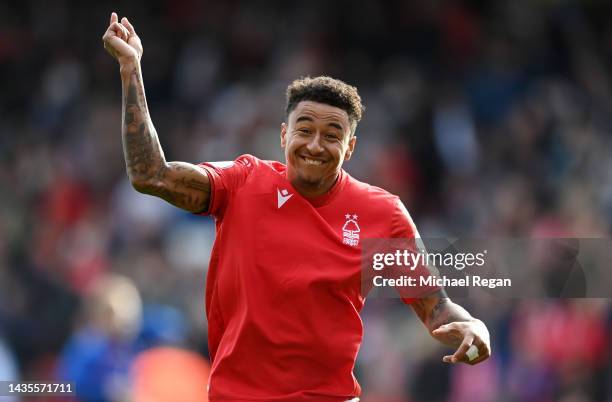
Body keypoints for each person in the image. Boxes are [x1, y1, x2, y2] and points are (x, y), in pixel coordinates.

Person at [102, 12, 491, 401]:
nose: (316, 145)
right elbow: (150, 175)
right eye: (305, 130)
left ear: (350, 147)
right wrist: (130, 69)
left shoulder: (383, 214)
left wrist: (474, 325)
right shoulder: (242, 182)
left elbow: (437, 308)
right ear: (285, 134)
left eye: (332, 135)